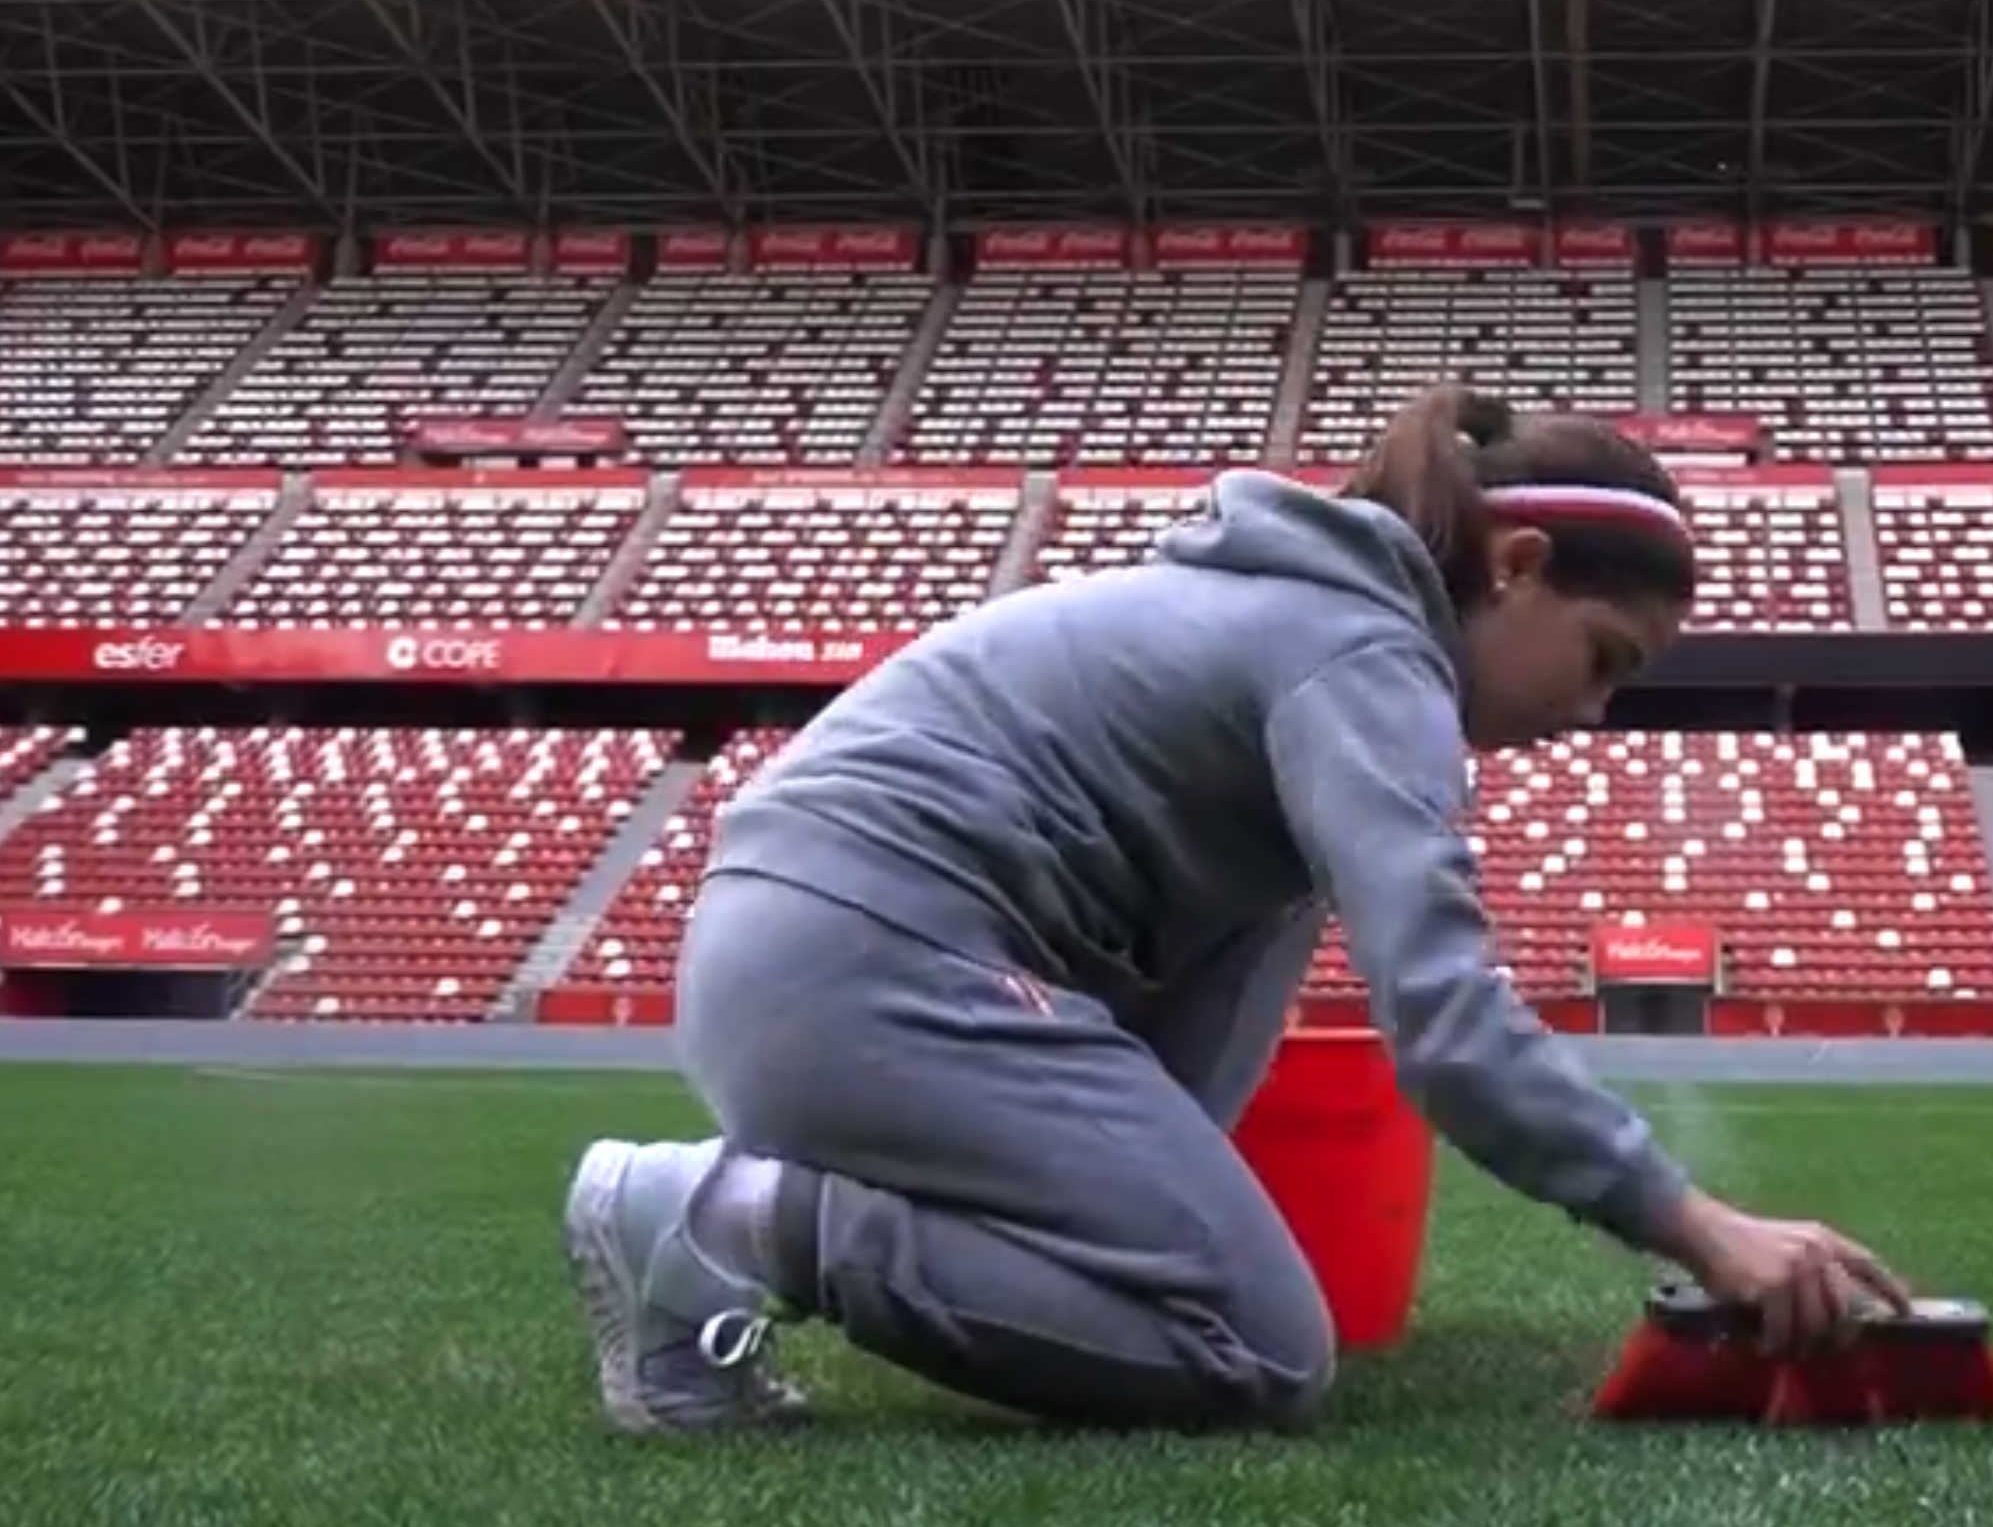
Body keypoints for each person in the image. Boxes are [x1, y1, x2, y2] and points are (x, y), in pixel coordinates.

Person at [559, 383, 1911, 1435]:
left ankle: (703, 1295)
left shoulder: (1295, 633)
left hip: (819, 961)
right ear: (1515, 563)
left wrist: (1168, 1213)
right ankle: (723, 1213)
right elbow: (1444, 1022)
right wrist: (1696, 1221)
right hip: (871, 959)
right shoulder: (1366, 655)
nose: (1589, 712)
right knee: (1257, 1348)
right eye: (1601, 657)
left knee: (1220, 1295)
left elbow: (1182, 1063)